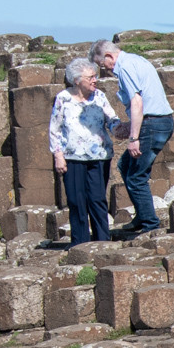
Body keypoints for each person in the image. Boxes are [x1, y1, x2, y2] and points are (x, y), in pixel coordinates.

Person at [88, 39, 174, 237]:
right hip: (158, 122)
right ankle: (142, 216)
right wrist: (130, 127)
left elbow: (137, 102)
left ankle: (151, 225)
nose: (106, 70)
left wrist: (134, 137)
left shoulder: (124, 67)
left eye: (103, 65)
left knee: (136, 177)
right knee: (125, 166)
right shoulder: (136, 60)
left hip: (153, 124)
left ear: (109, 56)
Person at [46, 59, 119, 245]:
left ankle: (102, 242)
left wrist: (123, 128)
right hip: (72, 157)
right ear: (77, 80)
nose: (95, 80)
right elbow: (54, 129)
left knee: (97, 200)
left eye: (95, 76)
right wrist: (58, 155)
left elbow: (112, 119)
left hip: (99, 156)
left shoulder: (100, 96)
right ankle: (80, 244)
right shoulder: (63, 97)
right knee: (76, 202)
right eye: (90, 77)